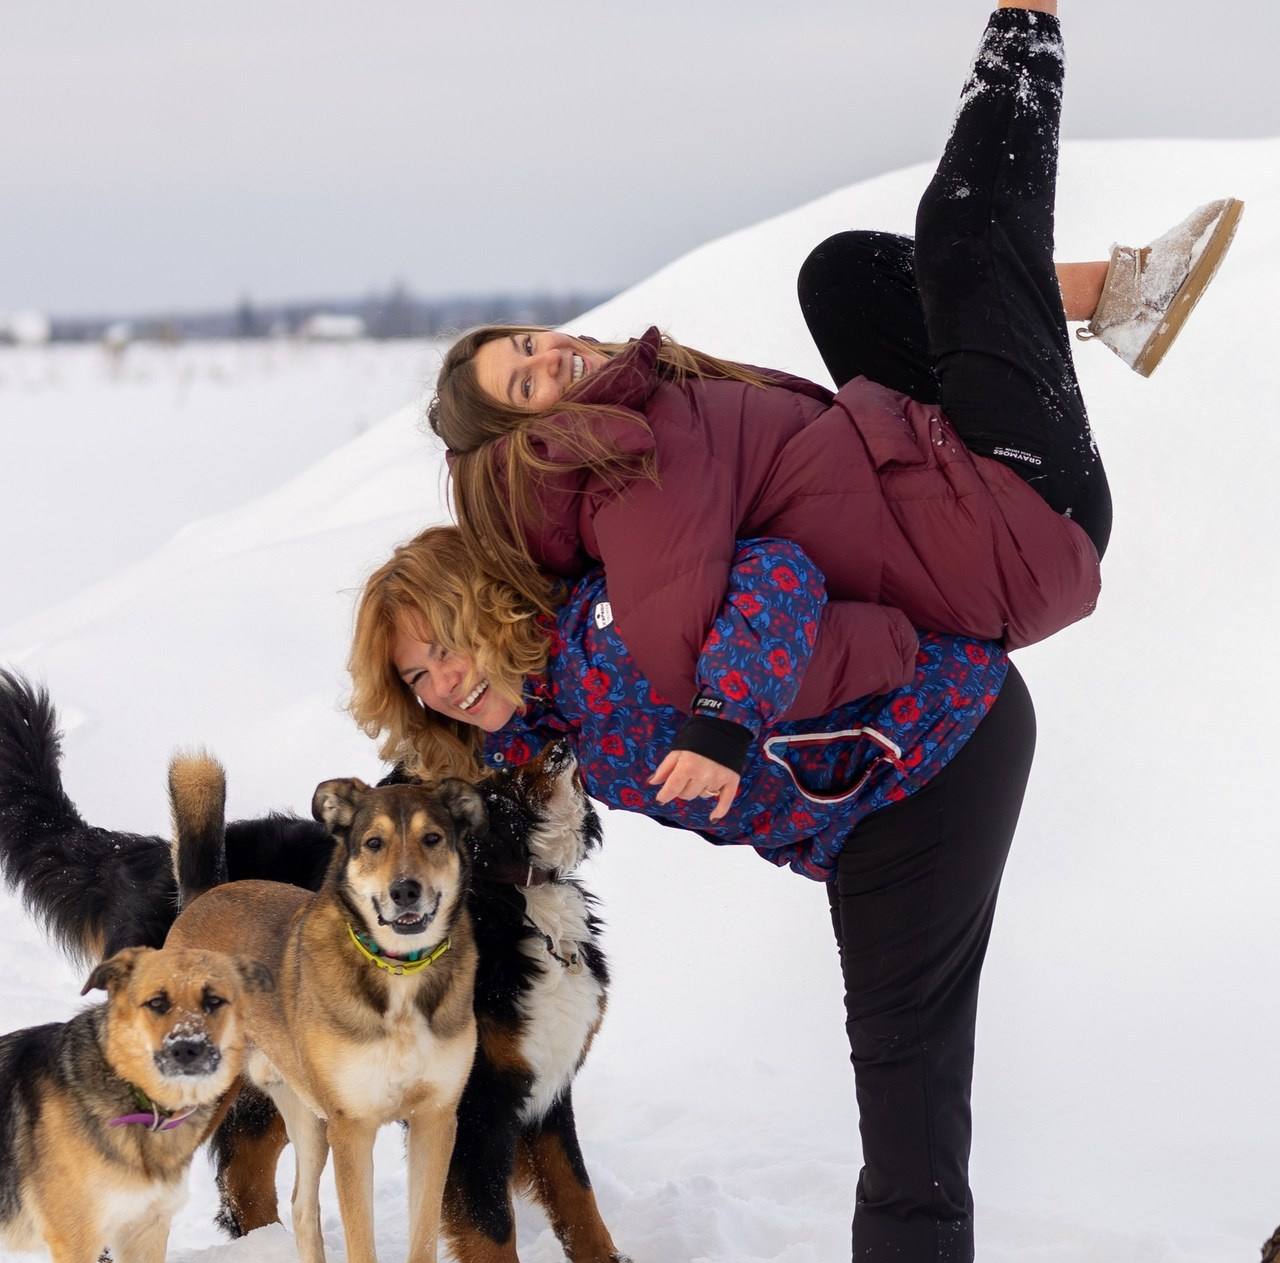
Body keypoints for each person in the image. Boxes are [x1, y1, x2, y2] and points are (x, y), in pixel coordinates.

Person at [425, 5, 1241, 820]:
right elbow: (682, 646)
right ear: (525, 433)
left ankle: (1120, 299)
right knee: (965, 229)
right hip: (1015, 530)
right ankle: (1026, 20)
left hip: (941, 483)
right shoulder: (620, 469)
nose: (549, 358)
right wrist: (882, 652)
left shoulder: (632, 415)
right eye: (526, 385)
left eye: (528, 344)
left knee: (843, 275)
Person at [348, 523, 1024, 1263]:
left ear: (487, 609)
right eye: (416, 677)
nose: (441, 683)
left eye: (445, 647)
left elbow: (780, 571)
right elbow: (420, 813)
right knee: (899, 1057)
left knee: (907, 1057)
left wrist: (723, 720)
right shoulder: (525, 724)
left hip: (936, 737)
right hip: (858, 809)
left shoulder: (605, 629)